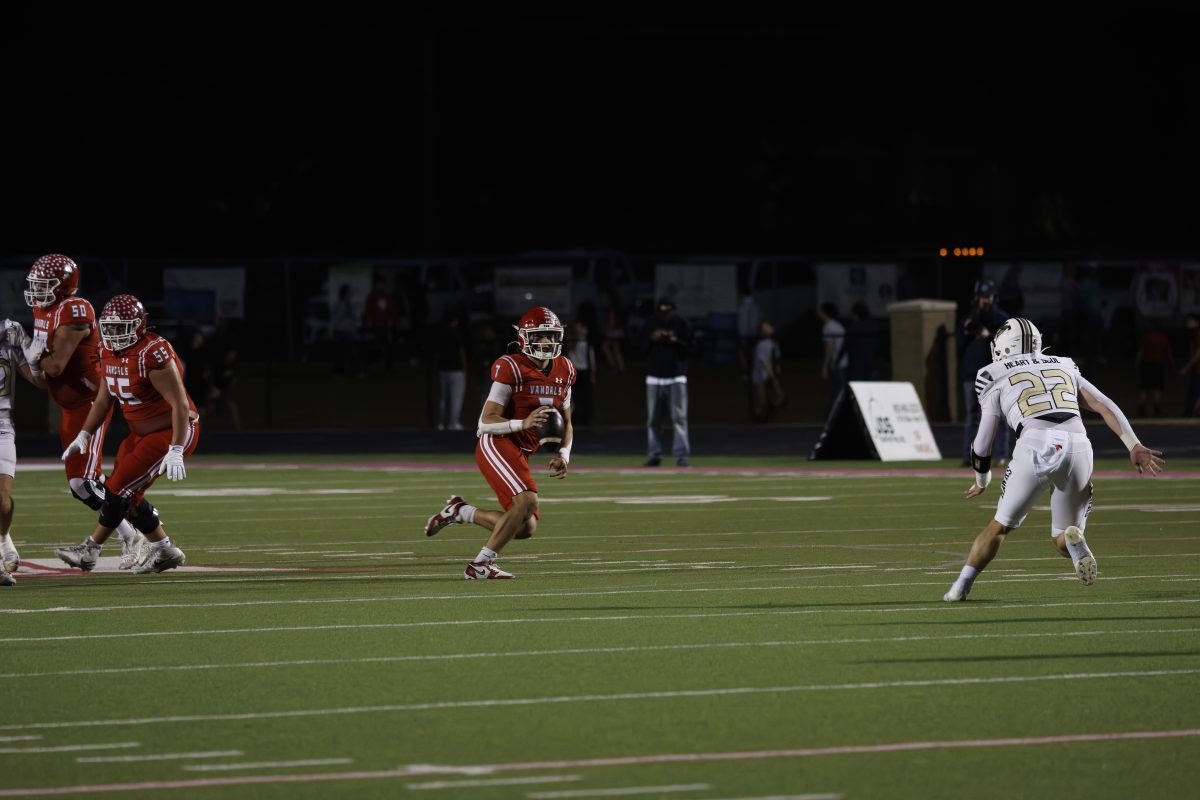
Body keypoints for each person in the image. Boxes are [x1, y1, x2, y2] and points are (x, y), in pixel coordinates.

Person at [944, 317, 1164, 602]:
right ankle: (1075, 542)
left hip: (1035, 444)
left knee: (1000, 527)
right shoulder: (1064, 364)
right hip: (1080, 446)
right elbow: (1103, 404)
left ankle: (960, 588)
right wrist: (1133, 444)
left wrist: (982, 478)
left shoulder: (992, 373)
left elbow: (984, 440)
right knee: (1062, 538)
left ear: (1003, 346)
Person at [422, 306, 576, 580]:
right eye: (539, 336)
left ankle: (461, 511)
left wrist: (564, 455)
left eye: (551, 336)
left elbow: (567, 422)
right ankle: (480, 565)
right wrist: (522, 423)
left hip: (522, 451)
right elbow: (484, 422)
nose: (546, 342)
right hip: (497, 442)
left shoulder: (565, 369)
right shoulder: (511, 366)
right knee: (527, 500)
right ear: (524, 338)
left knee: (525, 527)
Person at [55, 294, 200, 575]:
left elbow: (180, 405)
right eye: (108, 327)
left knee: (117, 489)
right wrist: (84, 434)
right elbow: (103, 400)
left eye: (120, 327)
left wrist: (176, 448)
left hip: (171, 431)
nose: (113, 333)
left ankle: (90, 550)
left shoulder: (151, 353)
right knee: (127, 497)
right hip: (140, 433)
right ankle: (165, 549)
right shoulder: (106, 350)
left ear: (138, 325)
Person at [17, 255, 144, 570]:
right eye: (35, 285)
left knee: (82, 484)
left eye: (44, 285)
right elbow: (41, 377)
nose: (37, 291)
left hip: (90, 403)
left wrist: (24, 345)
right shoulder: (43, 310)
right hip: (69, 406)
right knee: (92, 482)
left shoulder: (75, 310)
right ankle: (144, 532)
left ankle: (133, 536)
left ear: (63, 286)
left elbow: (54, 367)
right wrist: (19, 354)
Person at [0, 321, 46, 586]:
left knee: (2, 498)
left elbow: (40, 382)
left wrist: (31, 352)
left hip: (2, 424)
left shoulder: (8, 342)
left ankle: (3, 536)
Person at [958, 280, 1011, 466]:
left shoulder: (1001, 318)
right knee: (972, 417)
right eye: (982, 297)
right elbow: (959, 347)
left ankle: (1000, 456)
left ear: (994, 297)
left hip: (994, 373)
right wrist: (969, 332)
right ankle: (969, 456)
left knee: (999, 416)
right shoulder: (969, 318)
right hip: (972, 372)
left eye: (988, 297)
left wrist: (989, 335)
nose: (985, 301)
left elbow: (1007, 344)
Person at [643, 297, 691, 467]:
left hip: (676, 376)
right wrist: (652, 338)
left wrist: (674, 340)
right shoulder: (651, 323)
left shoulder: (681, 323)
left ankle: (681, 455)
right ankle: (654, 454)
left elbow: (690, 347)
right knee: (653, 420)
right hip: (654, 377)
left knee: (679, 418)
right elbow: (639, 346)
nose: (665, 315)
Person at [433, 308, 468, 431]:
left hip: (443, 369)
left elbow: (436, 353)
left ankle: (441, 423)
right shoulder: (457, 334)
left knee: (443, 398)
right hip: (456, 370)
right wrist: (465, 369)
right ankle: (453, 422)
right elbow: (461, 353)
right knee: (456, 398)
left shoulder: (440, 334)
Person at [1135, 323, 1172, 418]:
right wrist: (1171, 363)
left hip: (1146, 364)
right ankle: (1156, 407)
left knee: (1144, 388)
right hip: (1157, 365)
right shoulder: (1163, 338)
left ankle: (1141, 409)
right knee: (1157, 388)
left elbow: (1141, 351)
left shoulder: (1146, 337)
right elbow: (1168, 352)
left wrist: (1137, 363)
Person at [817, 302, 848, 416]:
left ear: (824, 312)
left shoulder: (828, 327)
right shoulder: (837, 325)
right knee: (837, 390)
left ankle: (833, 415)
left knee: (838, 391)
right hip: (843, 361)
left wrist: (825, 366)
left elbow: (829, 348)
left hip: (837, 363)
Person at [361, 273, 398, 371]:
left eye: (382, 284)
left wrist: (392, 320)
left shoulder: (384, 296)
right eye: (380, 284)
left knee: (386, 345)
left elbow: (391, 309)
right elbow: (368, 310)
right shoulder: (373, 296)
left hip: (384, 325)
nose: (382, 286)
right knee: (379, 345)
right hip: (377, 325)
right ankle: (369, 362)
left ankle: (386, 365)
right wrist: (368, 323)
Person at [565, 320, 596, 426]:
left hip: (574, 372)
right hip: (583, 373)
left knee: (575, 397)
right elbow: (591, 360)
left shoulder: (570, 343)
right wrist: (593, 374)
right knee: (585, 397)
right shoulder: (584, 344)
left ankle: (576, 419)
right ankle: (585, 419)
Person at [751, 321, 784, 422]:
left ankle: (768, 412)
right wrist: (771, 374)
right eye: (766, 327)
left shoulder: (773, 343)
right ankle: (757, 416)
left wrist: (777, 367)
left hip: (769, 373)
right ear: (762, 332)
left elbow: (776, 356)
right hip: (760, 375)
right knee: (762, 401)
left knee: (779, 396)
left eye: (769, 325)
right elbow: (764, 362)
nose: (770, 327)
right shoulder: (761, 345)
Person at [330, 283, 363, 378]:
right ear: (345, 293)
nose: (351, 293)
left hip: (347, 330)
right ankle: (355, 371)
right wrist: (331, 330)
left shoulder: (348, 303)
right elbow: (336, 318)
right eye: (349, 292)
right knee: (349, 351)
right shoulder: (341, 304)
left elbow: (352, 317)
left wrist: (355, 326)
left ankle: (340, 371)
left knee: (344, 352)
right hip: (342, 330)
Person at [1180, 314, 1200, 417]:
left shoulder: (1198, 334)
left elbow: (1198, 353)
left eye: (1190, 321)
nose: (1187, 323)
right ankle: (1192, 412)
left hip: (1198, 370)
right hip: (1196, 369)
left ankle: (1190, 413)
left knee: (1194, 392)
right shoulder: (1194, 334)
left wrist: (1186, 368)